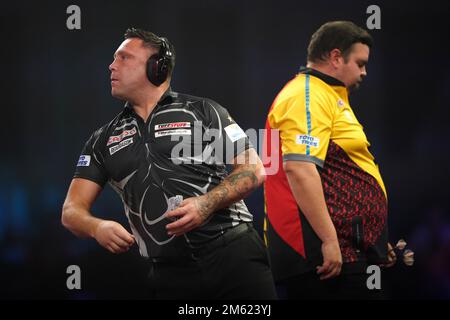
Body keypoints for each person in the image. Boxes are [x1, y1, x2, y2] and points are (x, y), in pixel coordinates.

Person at [61, 27, 277, 300]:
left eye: (124, 58)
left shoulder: (203, 111)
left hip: (233, 256)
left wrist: (206, 203)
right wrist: (96, 227)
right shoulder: (102, 140)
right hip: (168, 274)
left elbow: (254, 169)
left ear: (156, 67)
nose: (111, 65)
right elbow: (71, 210)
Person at [263, 21, 396, 299]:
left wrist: (375, 241)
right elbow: (299, 167)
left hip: (347, 254)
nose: (364, 72)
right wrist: (329, 240)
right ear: (336, 57)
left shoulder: (328, 96)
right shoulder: (306, 94)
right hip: (325, 259)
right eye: (360, 63)